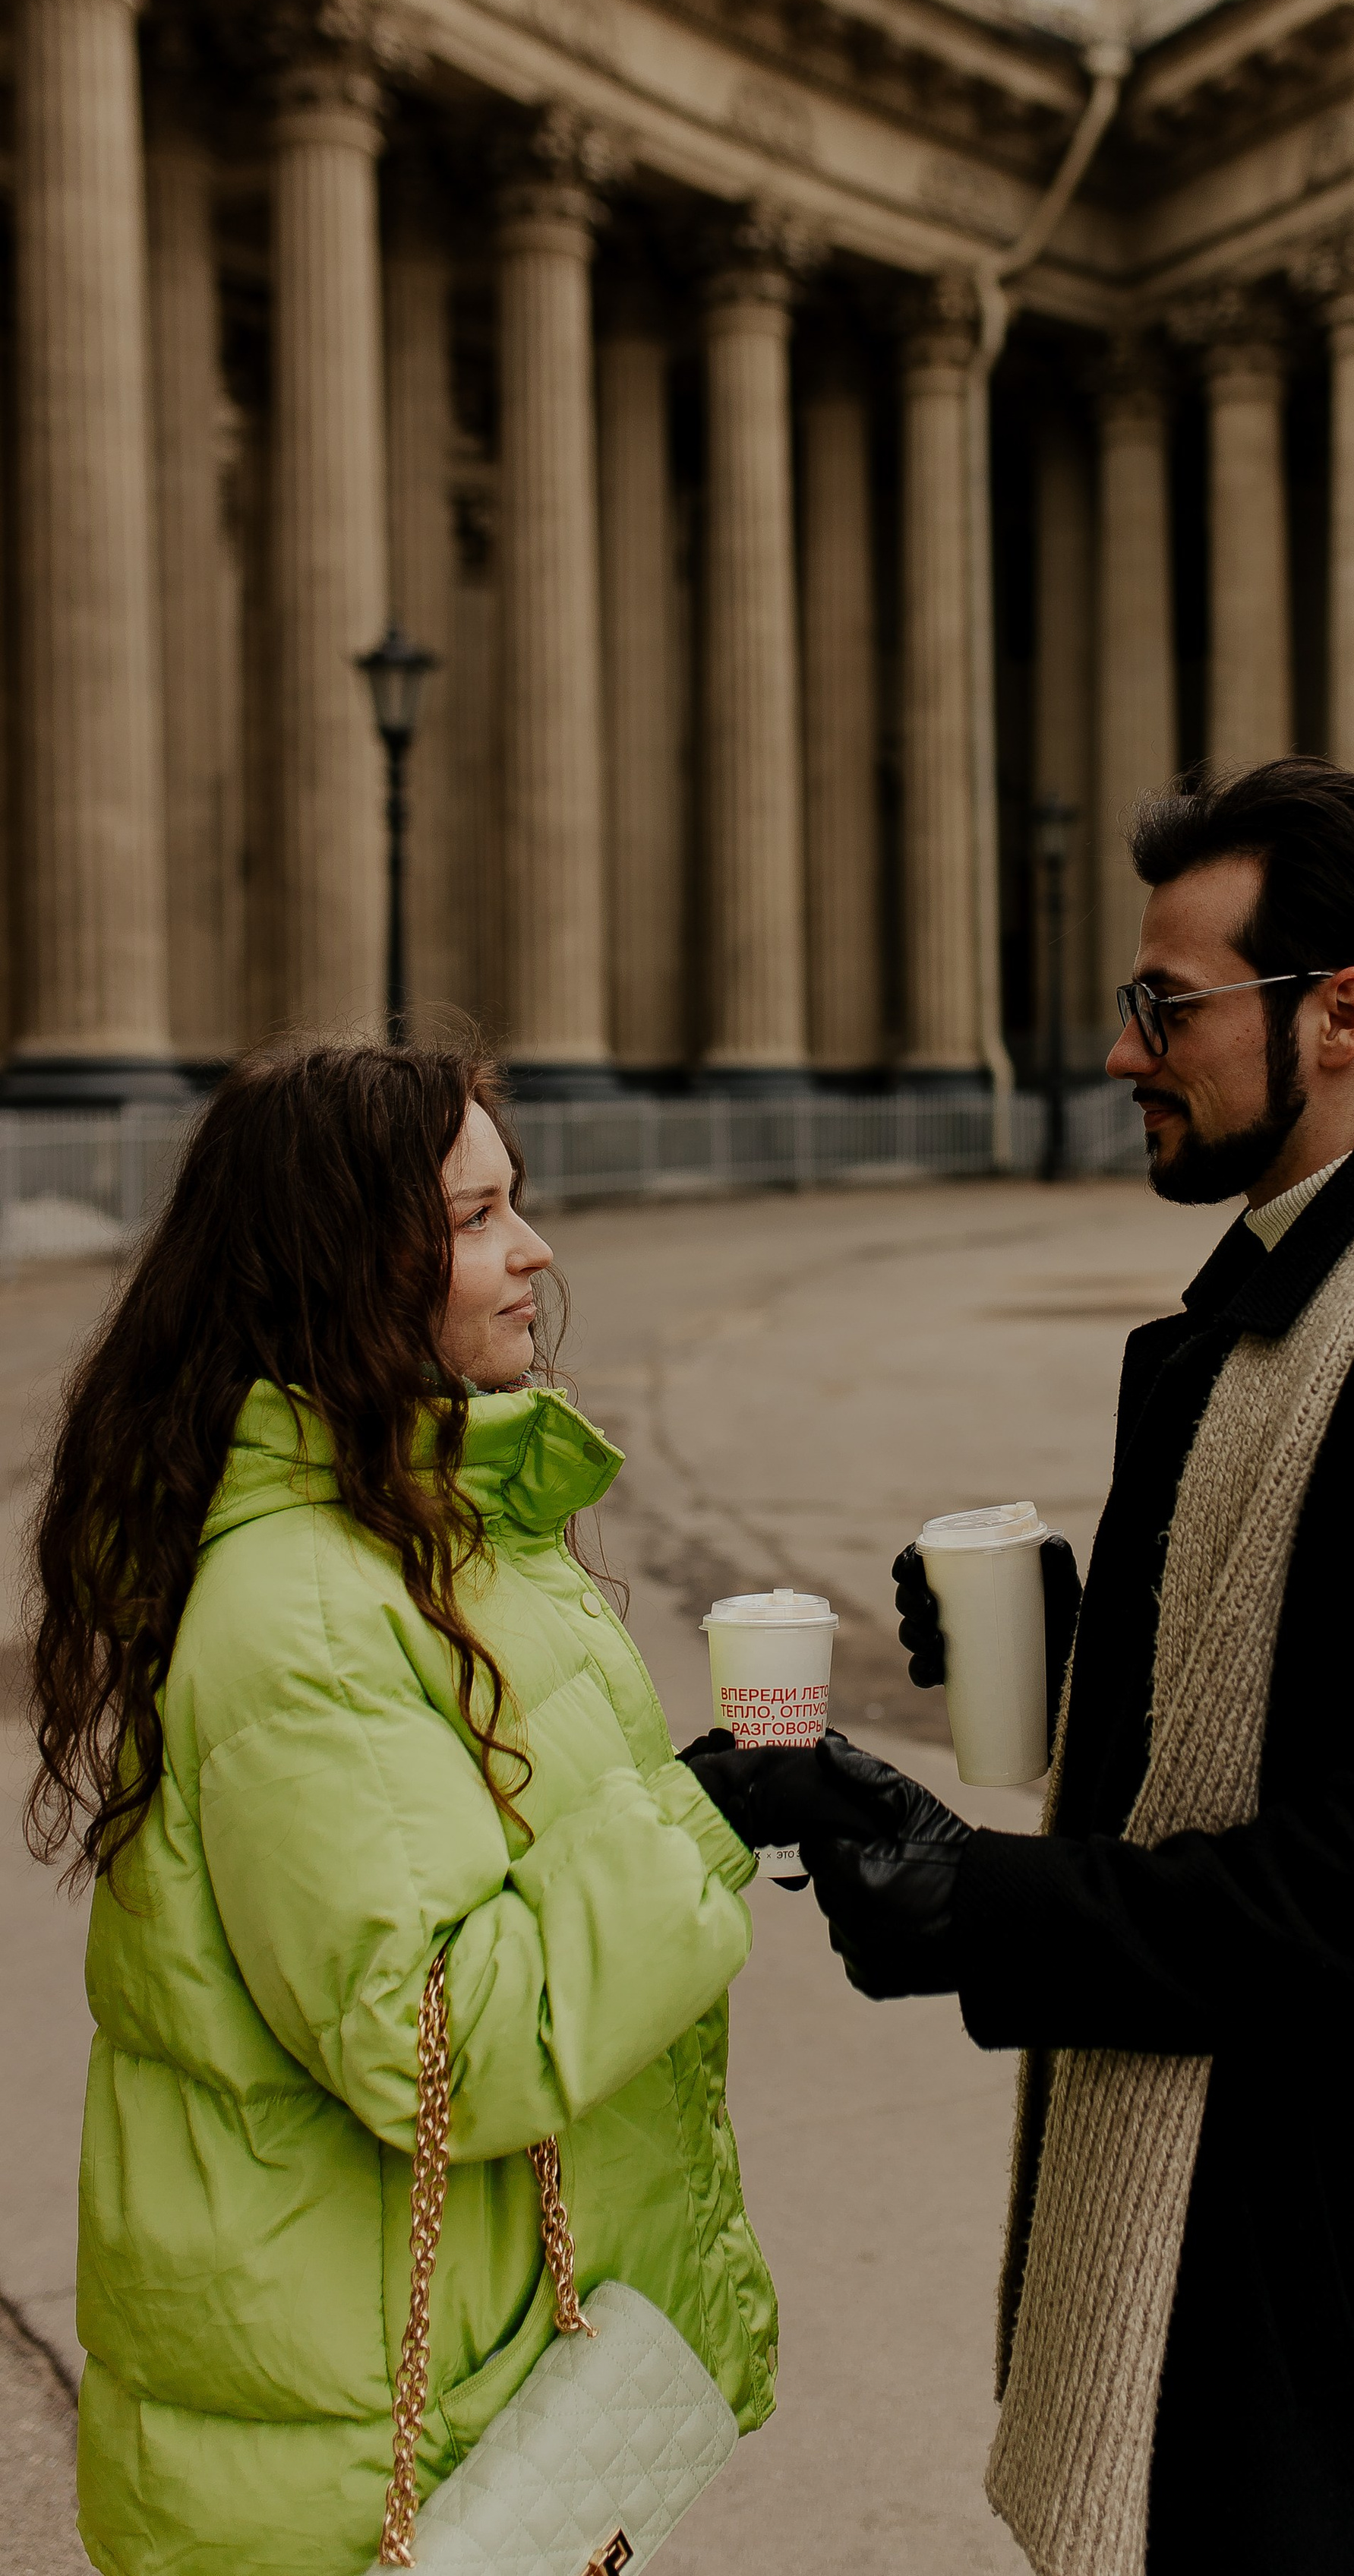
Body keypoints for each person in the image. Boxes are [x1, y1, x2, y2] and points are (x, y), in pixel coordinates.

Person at [713, 757, 1354, 2575]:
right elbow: (1314, 1698)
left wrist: (988, 1907)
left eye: (1167, 1003)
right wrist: (1088, 1655)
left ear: (1336, 1018)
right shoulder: (1291, 1294)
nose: (1126, 1048)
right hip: (1277, 2297)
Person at [26, 1043, 781, 2576]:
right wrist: (705, 1816)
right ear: (350, 1268)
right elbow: (443, 2040)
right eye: (479, 1214)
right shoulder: (306, 1605)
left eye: (521, 1203)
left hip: (447, 2394)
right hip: (366, 2463)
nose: (534, 1250)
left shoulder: (427, 1528)